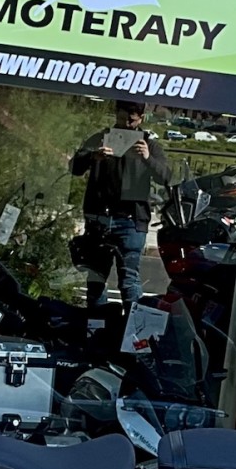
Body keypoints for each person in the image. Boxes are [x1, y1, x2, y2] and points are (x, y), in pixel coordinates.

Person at [70, 101, 171, 323]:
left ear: (141, 119)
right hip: (100, 217)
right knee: (96, 279)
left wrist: (147, 158)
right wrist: (92, 157)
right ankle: (97, 329)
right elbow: (74, 167)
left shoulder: (149, 145)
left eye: (131, 120)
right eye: (122, 118)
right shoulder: (101, 138)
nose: (126, 124)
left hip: (131, 219)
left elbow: (166, 177)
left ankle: (133, 331)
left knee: (129, 279)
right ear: (116, 115)